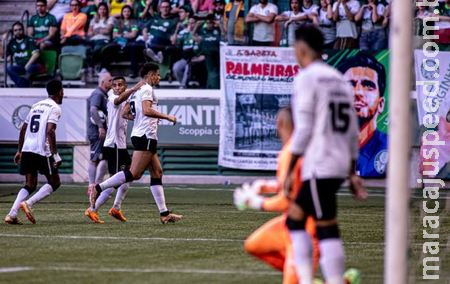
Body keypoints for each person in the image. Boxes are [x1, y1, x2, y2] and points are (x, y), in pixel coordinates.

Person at [284, 24, 367, 284]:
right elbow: (353, 129)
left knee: (325, 225)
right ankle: (309, 280)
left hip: (320, 164)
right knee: (296, 220)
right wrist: (352, 171)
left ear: (301, 48)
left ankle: (320, 280)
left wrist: (289, 169)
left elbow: (305, 128)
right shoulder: (339, 79)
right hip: (339, 161)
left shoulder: (307, 78)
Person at [234, 107, 320, 284]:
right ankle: (306, 279)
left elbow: (288, 202)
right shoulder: (297, 150)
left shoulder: (291, 153)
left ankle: (302, 278)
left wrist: (256, 203)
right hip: (289, 225)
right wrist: (264, 186)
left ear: (280, 124)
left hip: (306, 231)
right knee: (253, 245)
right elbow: (292, 186)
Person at [90, 62, 183, 224]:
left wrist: (140, 118)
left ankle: (164, 213)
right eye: (157, 74)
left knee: (157, 173)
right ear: (150, 74)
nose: (159, 78)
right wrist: (167, 117)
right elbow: (147, 110)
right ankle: (97, 188)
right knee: (133, 173)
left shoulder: (136, 91)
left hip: (143, 135)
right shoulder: (146, 89)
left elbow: (126, 113)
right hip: (145, 136)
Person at [85, 77, 145, 223]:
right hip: (113, 145)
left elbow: (126, 114)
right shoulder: (112, 97)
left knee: (130, 175)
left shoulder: (127, 97)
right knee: (116, 181)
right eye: (114, 85)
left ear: (124, 86)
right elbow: (118, 102)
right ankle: (93, 208)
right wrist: (134, 88)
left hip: (121, 145)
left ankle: (116, 208)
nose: (117, 88)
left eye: (120, 85)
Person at [4, 80, 64, 225]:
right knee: (54, 182)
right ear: (60, 92)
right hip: (41, 150)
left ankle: (12, 214)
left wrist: (19, 150)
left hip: (28, 149)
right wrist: (55, 154)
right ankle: (28, 203)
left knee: (30, 184)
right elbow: (50, 131)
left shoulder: (36, 105)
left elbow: (23, 129)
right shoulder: (55, 108)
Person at [337, 52, 388, 178]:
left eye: (368, 86)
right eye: (350, 85)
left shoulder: (393, 147)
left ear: (381, 104)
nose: (358, 92)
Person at [86, 71, 112, 201]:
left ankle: (98, 185)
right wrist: (100, 127)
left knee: (104, 158)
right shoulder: (97, 94)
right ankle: (92, 185)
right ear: (103, 82)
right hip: (97, 132)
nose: (112, 83)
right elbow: (93, 110)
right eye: (110, 80)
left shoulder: (104, 95)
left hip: (103, 133)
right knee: (95, 158)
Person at [6, 22, 43, 88]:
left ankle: (22, 86)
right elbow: (5, 56)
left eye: (20, 29)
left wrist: (28, 64)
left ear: (23, 30)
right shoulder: (12, 43)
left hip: (34, 65)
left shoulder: (29, 40)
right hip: (21, 66)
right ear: (13, 32)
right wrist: (3, 41)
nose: (18, 32)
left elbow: (36, 54)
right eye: (15, 30)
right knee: (9, 68)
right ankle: (23, 85)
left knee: (30, 68)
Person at [87, 2, 114, 69]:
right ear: (98, 10)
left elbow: (108, 31)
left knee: (97, 49)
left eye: (104, 9)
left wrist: (96, 30)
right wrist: (101, 29)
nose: (102, 11)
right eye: (100, 9)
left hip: (104, 39)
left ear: (107, 10)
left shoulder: (110, 19)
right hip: (93, 40)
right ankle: (91, 67)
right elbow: (89, 33)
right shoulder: (93, 20)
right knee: (86, 49)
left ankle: (92, 67)